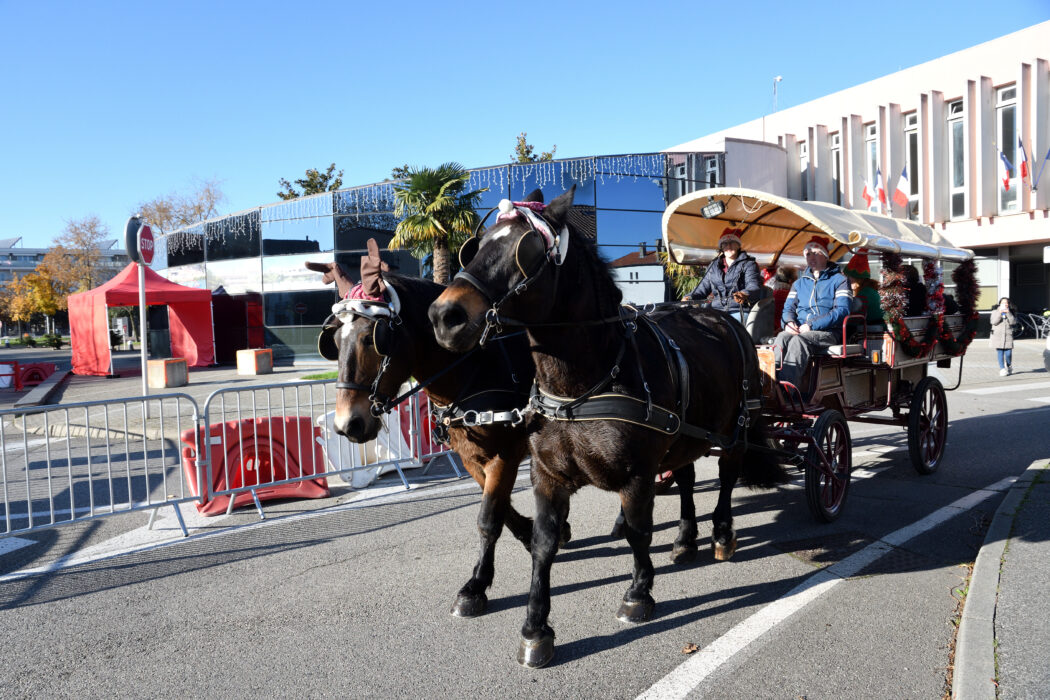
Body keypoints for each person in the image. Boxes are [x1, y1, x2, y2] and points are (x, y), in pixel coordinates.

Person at [773, 236, 852, 398]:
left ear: (825, 255)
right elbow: (787, 309)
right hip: (801, 329)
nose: (812, 257)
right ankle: (770, 383)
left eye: (816, 253)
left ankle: (787, 392)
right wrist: (788, 323)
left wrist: (811, 325)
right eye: (808, 254)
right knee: (781, 337)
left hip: (828, 332)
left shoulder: (840, 280)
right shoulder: (799, 283)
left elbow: (842, 311)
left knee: (799, 341)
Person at [683, 227, 762, 319]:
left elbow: (754, 286)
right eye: (725, 243)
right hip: (716, 309)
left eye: (732, 242)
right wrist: (689, 297)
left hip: (739, 308)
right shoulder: (713, 266)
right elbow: (702, 289)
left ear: (738, 245)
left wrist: (744, 294)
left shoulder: (749, 264)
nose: (729, 246)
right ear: (721, 247)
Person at [842, 250, 884, 327]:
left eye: (847, 278)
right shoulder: (871, 290)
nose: (845, 281)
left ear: (856, 280)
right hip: (879, 327)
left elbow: (854, 320)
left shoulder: (863, 295)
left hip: (872, 331)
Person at [990, 296, 1015, 376]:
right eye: (1003, 303)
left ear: (1008, 304)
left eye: (1006, 303)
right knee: (1000, 352)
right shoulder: (995, 311)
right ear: (999, 304)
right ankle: (1002, 369)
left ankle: (1009, 365)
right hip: (997, 335)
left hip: (1008, 335)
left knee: (1008, 354)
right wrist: (1000, 313)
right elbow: (994, 322)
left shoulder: (1011, 311)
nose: (1005, 304)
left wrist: (1008, 313)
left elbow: (1013, 322)